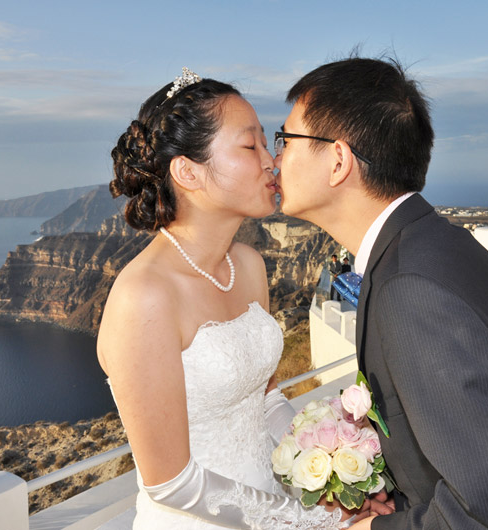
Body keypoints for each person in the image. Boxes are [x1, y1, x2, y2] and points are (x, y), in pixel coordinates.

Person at [274, 57, 488, 529]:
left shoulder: (412, 288)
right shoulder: (436, 246)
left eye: (287, 139)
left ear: (339, 161)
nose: (275, 156)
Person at [98, 68, 357, 529]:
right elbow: (171, 483)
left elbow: (267, 399)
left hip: (272, 498)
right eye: (249, 145)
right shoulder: (144, 297)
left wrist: (329, 471)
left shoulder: (249, 265)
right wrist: (305, 521)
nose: (271, 161)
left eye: (267, 143)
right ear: (188, 171)